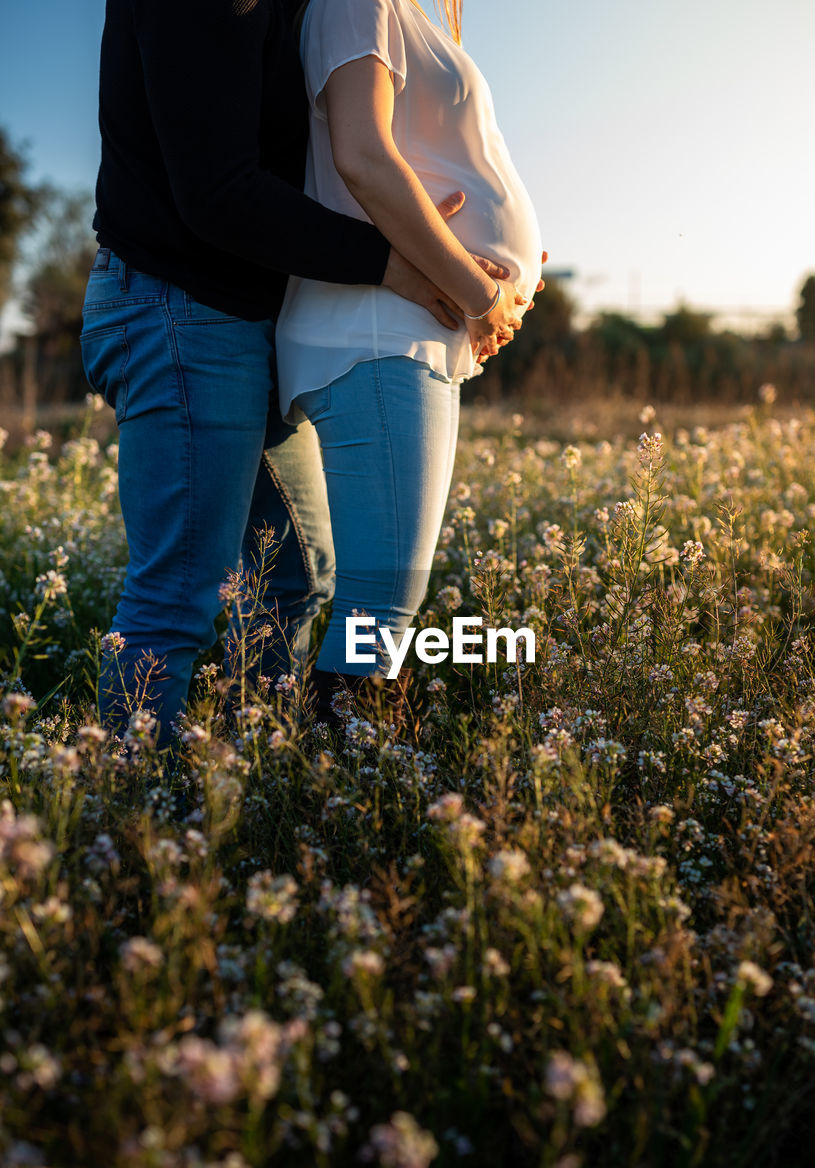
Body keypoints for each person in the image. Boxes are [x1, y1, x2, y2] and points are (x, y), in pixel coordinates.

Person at [80, 0, 518, 743]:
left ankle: (251, 774)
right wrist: (400, 267)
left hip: (236, 322)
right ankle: (127, 820)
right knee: (179, 591)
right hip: (178, 308)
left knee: (292, 575)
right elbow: (218, 194)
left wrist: (464, 237)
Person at [275, 0, 543, 716]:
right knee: (384, 594)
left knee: (376, 592)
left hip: (397, 328)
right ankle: (341, 785)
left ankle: (319, 775)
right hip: (376, 328)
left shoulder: (407, 11)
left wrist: (503, 270)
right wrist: (479, 296)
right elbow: (361, 156)